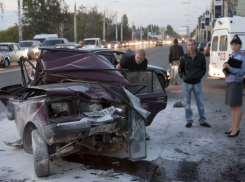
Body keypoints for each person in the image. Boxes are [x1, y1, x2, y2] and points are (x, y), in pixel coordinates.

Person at [116, 49, 150, 140]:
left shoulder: (145, 62)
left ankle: (140, 130)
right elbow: (117, 67)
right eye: (138, 58)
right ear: (135, 55)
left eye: (141, 59)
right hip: (125, 83)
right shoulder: (128, 59)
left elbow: (144, 71)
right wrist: (122, 79)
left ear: (144, 58)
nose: (139, 60)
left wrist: (140, 79)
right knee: (126, 105)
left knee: (138, 106)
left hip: (135, 84)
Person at [178, 38, 211, 128]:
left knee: (200, 103)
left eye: (192, 45)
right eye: (189, 45)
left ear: (195, 45)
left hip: (197, 83)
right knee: (187, 104)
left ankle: (202, 120)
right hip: (186, 83)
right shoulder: (183, 57)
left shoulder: (201, 57)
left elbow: (204, 69)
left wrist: (199, 76)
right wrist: (184, 78)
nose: (191, 47)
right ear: (187, 46)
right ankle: (189, 120)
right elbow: (180, 70)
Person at [223, 34, 245, 137]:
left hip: (236, 82)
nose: (234, 46)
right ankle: (233, 127)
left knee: (237, 106)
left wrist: (230, 68)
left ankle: (236, 129)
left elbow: (242, 72)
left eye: (236, 44)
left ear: (240, 45)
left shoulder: (242, 57)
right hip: (230, 81)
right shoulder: (231, 56)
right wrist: (225, 70)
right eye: (232, 44)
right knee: (232, 106)